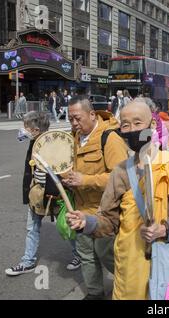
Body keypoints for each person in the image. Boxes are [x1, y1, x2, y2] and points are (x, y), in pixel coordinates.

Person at [66, 98, 169, 300]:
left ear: (151, 125)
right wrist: (86, 222)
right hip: (129, 271)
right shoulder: (120, 172)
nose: (131, 129)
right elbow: (109, 221)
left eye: (138, 123)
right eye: (125, 124)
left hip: (168, 267)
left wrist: (165, 229)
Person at [62, 96, 128, 300]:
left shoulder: (110, 139)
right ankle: (94, 293)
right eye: (70, 119)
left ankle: (128, 288)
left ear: (92, 115)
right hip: (80, 208)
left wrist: (85, 180)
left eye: (77, 118)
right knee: (86, 256)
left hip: (104, 212)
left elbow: (121, 177)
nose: (74, 123)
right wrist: (66, 178)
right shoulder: (72, 138)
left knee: (107, 255)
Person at [5, 111, 80, 276]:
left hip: (56, 194)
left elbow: (62, 169)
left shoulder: (54, 143)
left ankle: (79, 256)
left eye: (26, 127)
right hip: (37, 194)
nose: (23, 130)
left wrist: (59, 194)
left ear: (36, 129)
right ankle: (28, 262)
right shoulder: (34, 143)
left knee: (68, 226)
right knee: (32, 229)